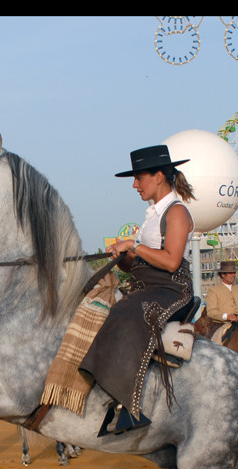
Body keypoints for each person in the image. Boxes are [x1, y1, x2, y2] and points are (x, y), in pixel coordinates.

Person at [79, 144, 196, 435]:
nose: (134, 185)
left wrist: (133, 245)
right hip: (148, 286)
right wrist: (123, 259)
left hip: (173, 290)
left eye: (138, 178)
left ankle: (130, 407)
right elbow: (138, 267)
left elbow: (170, 263)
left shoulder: (177, 212)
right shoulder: (151, 214)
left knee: (127, 311)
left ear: (158, 176)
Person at [205, 260, 238, 328]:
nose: (234, 275)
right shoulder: (213, 290)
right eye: (231, 273)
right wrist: (227, 316)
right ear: (223, 275)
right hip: (221, 325)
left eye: (234, 273)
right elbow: (211, 311)